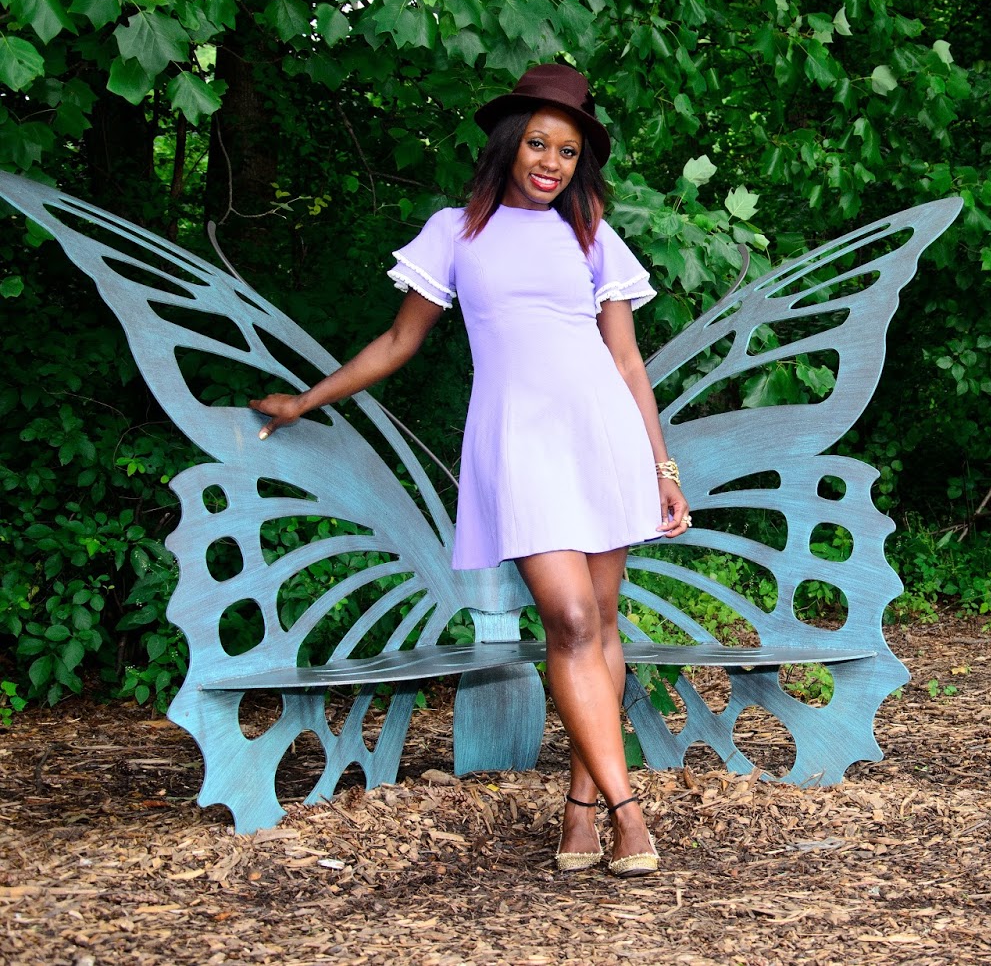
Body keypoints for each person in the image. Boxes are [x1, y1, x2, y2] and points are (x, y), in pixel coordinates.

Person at [249, 63, 687, 878]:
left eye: (568, 151)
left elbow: (627, 362)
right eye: (539, 144)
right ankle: (629, 812)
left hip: (602, 436)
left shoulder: (592, 234)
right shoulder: (455, 232)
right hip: (518, 443)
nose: (551, 163)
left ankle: (582, 806)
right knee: (570, 620)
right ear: (510, 143)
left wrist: (662, 464)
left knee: (601, 619)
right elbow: (398, 342)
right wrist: (308, 399)